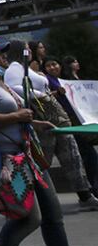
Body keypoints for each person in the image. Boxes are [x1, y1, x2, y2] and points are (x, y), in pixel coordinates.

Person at [0, 39, 98, 246]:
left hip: (30, 158)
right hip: (10, 163)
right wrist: (17, 116)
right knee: (30, 218)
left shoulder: (2, 82)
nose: (5, 57)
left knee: (53, 216)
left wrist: (36, 124)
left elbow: (17, 119)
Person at [8, 41, 95, 209]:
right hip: (44, 122)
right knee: (44, 160)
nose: (29, 51)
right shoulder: (14, 69)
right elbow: (14, 88)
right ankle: (42, 200)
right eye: (27, 48)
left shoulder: (25, 68)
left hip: (56, 120)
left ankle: (85, 195)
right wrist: (39, 94)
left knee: (72, 156)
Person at [42, 54, 98, 206]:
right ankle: (91, 192)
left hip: (78, 122)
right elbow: (44, 97)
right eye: (48, 65)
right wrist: (57, 92)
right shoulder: (46, 81)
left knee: (88, 158)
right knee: (88, 157)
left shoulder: (64, 80)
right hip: (66, 125)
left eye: (54, 64)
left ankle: (90, 192)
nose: (52, 67)